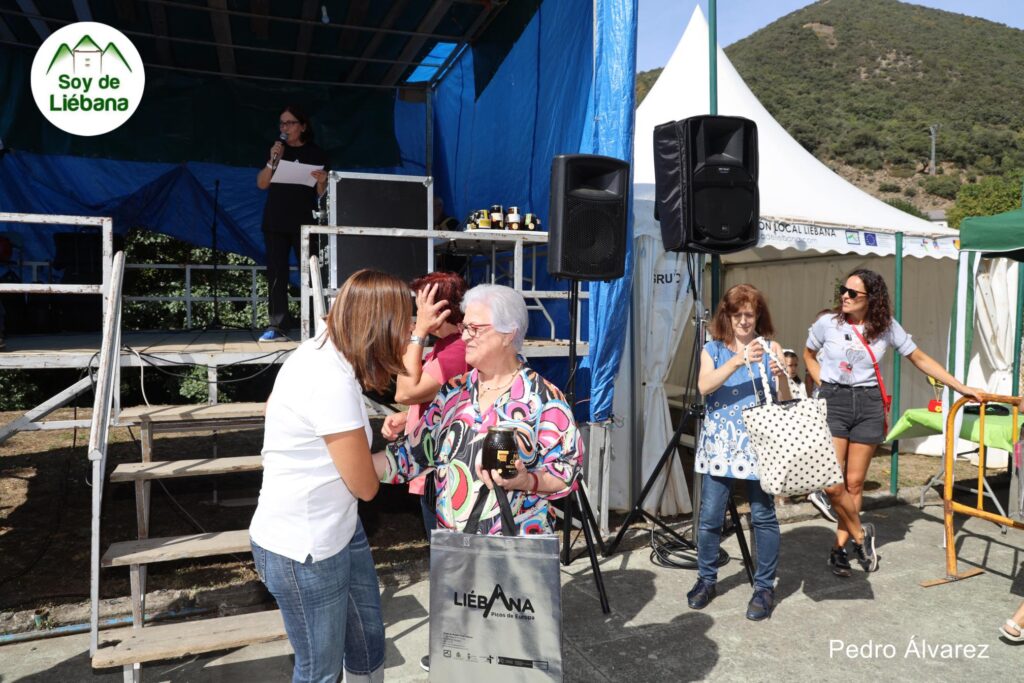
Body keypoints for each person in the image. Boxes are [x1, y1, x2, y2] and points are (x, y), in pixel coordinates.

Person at [249, 269, 411, 683]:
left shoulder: (319, 351)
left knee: (367, 641)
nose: (407, 337)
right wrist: (409, 457)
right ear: (380, 327)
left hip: (336, 528)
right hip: (304, 549)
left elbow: (272, 408)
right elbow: (366, 487)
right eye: (404, 328)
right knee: (319, 672)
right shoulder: (328, 379)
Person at [804, 268, 983, 577]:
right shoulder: (827, 323)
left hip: (869, 403)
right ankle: (862, 535)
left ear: (871, 298)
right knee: (832, 485)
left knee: (854, 483)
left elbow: (920, 358)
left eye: (852, 293)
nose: (844, 296)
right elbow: (808, 354)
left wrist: (959, 386)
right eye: (843, 290)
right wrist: (824, 385)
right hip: (834, 403)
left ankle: (839, 548)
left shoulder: (885, 327)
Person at [374, 283, 581, 536]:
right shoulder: (453, 392)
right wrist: (349, 464)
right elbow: (410, 456)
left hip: (515, 548)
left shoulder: (544, 398)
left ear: (508, 334)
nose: (464, 337)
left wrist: (527, 481)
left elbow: (567, 472)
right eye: (464, 328)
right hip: (456, 548)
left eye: (475, 329)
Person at [687, 284, 791, 621]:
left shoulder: (772, 347)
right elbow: (704, 386)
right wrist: (738, 360)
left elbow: (785, 401)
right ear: (727, 316)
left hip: (760, 446)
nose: (744, 321)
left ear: (758, 315)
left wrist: (783, 377)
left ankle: (764, 587)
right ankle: (706, 579)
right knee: (710, 517)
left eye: (750, 314)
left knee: (763, 517)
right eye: (737, 314)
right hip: (720, 446)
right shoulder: (713, 349)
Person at [381, 271, 469, 536]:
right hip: (436, 467)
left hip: (444, 474)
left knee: (447, 553)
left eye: (420, 305)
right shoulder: (448, 344)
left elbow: (405, 393)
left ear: (437, 308)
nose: (416, 312)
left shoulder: (458, 349)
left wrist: (418, 333)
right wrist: (409, 417)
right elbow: (444, 398)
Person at [256, 104, 329, 342]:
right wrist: (272, 161)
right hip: (275, 221)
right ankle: (277, 326)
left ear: (303, 126)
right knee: (277, 274)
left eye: (290, 123)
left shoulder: (317, 154)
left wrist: (322, 181)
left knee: (312, 272)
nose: (285, 128)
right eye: (282, 123)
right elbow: (262, 184)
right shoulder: (277, 151)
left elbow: (322, 195)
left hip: (305, 222)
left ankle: (319, 323)